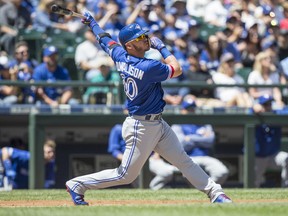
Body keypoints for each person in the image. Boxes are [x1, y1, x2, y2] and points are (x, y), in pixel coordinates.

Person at [65, 11, 232, 205]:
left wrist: (92, 23)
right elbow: (177, 69)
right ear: (129, 45)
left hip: (156, 124)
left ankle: (216, 193)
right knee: (125, 175)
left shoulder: (119, 54)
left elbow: (105, 40)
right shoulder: (147, 67)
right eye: (140, 38)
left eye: (145, 36)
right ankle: (77, 184)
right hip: (141, 126)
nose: (146, 40)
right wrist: (162, 48)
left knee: (183, 160)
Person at [171, 98, 230, 185]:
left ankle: (209, 190)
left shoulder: (203, 123)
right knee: (190, 176)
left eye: (193, 109)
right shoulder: (177, 125)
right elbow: (181, 144)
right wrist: (201, 138)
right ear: (183, 110)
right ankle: (201, 192)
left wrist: (190, 138)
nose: (191, 111)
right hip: (187, 158)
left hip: (205, 157)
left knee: (221, 172)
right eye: (188, 109)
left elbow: (210, 141)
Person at [108, 124, 176, 190]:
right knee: (135, 176)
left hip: (150, 158)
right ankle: (144, 192)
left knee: (167, 172)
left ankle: (152, 189)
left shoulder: (146, 124)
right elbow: (114, 150)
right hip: (132, 159)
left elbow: (157, 141)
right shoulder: (118, 128)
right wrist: (126, 159)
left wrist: (156, 154)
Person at [251, 94, 288, 187]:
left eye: (270, 104)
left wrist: (281, 105)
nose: (268, 107)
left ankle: (286, 188)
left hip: (273, 156)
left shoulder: (276, 114)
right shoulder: (255, 114)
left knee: (287, 159)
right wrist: (253, 108)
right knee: (255, 183)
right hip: (257, 157)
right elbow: (246, 112)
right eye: (265, 105)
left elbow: (286, 111)